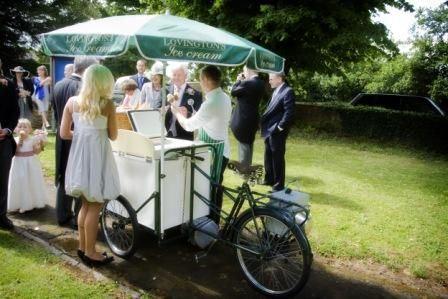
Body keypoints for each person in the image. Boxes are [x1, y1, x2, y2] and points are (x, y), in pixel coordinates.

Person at [60, 64, 119, 266]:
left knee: (85, 204)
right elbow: (113, 135)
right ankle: (91, 252)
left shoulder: (72, 102)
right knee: (94, 206)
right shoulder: (108, 104)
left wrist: (83, 135)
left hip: (79, 158)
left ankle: (83, 248)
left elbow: (63, 134)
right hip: (97, 158)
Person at [170, 65, 231, 224]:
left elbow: (189, 126)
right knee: (214, 188)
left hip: (214, 152)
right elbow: (207, 119)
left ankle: (209, 225)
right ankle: (212, 223)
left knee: (210, 189)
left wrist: (177, 113)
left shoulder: (210, 102)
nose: (199, 82)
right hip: (223, 149)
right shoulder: (223, 97)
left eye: (200, 79)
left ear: (205, 80)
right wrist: (189, 115)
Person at [51, 56, 98, 228]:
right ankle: (79, 216)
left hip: (61, 136)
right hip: (77, 137)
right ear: (87, 70)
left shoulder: (58, 84)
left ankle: (62, 214)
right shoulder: (82, 88)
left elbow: (56, 112)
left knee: (64, 174)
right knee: (79, 175)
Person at [261, 72, 295, 192]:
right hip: (268, 129)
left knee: (277, 156)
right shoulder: (275, 90)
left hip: (277, 130)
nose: (269, 81)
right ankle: (269, 179)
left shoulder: (288, 91)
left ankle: (279, 184)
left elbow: (289, 112)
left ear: (280, 79)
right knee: (268, 154)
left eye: (271, 79)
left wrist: (280, 127)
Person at [7, 118, 48, 213]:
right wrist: (21, 139)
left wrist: (41, 144)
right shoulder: (14, 140)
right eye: (20, 126)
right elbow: (14, 151)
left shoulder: (32, 139)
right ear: (15, 129)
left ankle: (32, 201)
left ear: (30, 130)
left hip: (31, 163)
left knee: (31, 181)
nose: (22, 128)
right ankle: (19, 202)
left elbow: (36, 152)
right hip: (18, 163)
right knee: (19, 181)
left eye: (25, 127)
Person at [230, 66, 265, 170]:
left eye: (244, 70)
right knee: (249, 144)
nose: (244, 73)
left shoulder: (246, 83)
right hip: (253, 119)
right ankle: (248, 168)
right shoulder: (261, 83)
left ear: (249, 70)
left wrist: (238, 81)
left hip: (243, 120)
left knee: (244, 146)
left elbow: (233, 92)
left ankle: (244, 171)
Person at [0, 58, 20, 230]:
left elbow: (15, 111)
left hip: (4, 140)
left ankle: (1, 216)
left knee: (2, 178)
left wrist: (7, 130)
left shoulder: (8, 85)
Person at [165, 63, 202, 140]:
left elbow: (199, 116)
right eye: (174, 75)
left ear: (185, 76)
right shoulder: (165, 91)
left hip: (185, 134)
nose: (176, 77)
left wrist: (187, 114)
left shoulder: (195, 94)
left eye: (179, 75)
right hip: (166, 132)